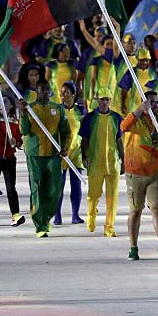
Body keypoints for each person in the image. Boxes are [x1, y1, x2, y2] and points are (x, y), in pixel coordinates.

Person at [121, 91, 158, 260]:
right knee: (135, 211)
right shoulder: (136, 120)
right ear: (144, 103)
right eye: (152, 103)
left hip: (157, 172)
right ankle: (133, 247)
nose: (155, 106)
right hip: (135, 173)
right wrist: (140, 109)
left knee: (157, 209)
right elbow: (123, 127)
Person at [21, 79, 70, 237]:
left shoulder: (57, 108)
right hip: (35, 154)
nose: (44, 92)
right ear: (36, 90)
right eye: (41, 89)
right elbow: (24, 131)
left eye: (47, 89)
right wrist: (22, 114)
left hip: (53, 155)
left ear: (50, 91)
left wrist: (65, 148)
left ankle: (47, 217)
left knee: (54, 190)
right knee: (37, 189)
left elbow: (66, 131)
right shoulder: (30, 109)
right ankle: (40, 224)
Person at [80, 87, 124, 237]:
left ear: (110, 100)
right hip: (95, 161)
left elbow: (119, 141)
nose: (105, 102)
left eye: (107, 99)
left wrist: (123, 160)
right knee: (93, 195)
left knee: (113, 198)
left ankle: (109, 227)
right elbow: (84, 140)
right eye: (102, 99)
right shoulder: (89, 118)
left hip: (113, 163)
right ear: (97, 100)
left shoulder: (117, 119)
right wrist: (84, 156)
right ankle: (91, 216)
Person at [0, 89, 25, 227]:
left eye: (5, 102)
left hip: (9, 159)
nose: (2, 105)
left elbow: (19, 141)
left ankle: (15, 214)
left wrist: (16, 142)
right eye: (0, 103)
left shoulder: (14, 122)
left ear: (11, 106)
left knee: (11, 188)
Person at [54, 81, 85, 226]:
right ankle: (57, 215)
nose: (63, 95)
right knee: (58, 186)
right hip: (60, 152)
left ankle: (75, 215)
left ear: (73, 94)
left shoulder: (81, 111)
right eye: (62, 92)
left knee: (76, 185)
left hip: (76, 152)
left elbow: (85, 133)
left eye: (66, 92)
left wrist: (86, 154)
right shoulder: (57, 110)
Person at [119, 48, 158, 114]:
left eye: (146, 60)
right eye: (142, 60)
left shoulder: (154, 72)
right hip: (135, 107)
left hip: (151, 108)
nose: (144, 62)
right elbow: (124, 90)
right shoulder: (131, 72)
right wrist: (122, 104)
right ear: (137, 59)